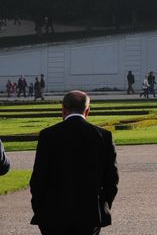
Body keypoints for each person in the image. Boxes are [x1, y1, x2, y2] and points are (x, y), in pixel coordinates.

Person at [30, 90, 119, 233]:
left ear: (63, 110)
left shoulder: (48, 135)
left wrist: (41, 211)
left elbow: (38, 180)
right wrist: (102, 205)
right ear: (88, 111)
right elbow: (111, 180)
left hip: (53, 215)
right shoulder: (103, 136)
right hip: (90, 214)